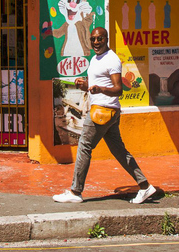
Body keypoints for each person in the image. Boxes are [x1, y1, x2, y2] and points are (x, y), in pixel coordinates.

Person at [53, 27, 156, 204]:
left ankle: (75, 191)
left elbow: (118, 89)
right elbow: (94, 85)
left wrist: (101, 90)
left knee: (84, 146)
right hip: (106, 111)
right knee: (119, 151)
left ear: (106, 39)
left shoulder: (112, 59)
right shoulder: (94, 59)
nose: (95, 42)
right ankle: (145, 186)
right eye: (93, 39)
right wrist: (84, 85)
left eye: (99, 39)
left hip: (103, 110)